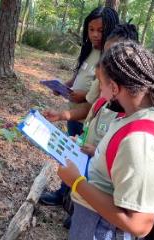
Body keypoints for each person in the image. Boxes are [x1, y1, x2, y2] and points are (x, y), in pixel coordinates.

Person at [57, 41, 154, 239]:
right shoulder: (137, 115)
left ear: (114, 87)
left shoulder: (141, 144)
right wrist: (97, 153)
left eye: (100, 84)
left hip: (103, 230)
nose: (100, 94)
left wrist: (76, 182)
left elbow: (138, 224)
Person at [40, 23, 139, 228]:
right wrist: (63, 116)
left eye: (115, 55)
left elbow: (136, 220)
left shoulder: (134, 118)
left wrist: (99, 151)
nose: (108, 61)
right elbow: (92, 107)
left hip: (105, 203)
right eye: (107, 53)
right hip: (89, 171)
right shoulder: (106, 87)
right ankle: (74, 209)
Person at [39, 5, 119, 209]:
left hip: (89, 118)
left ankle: (76, 205)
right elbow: (80, 74)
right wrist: (65, 86)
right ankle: (63, 195)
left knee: (86, 163)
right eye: (91, 29)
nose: (95, 34)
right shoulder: (89, 49)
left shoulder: (110, 57)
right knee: (71, 156)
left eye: (100, 30)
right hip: (73, 112)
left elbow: (99, 93)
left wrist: (81, 96)